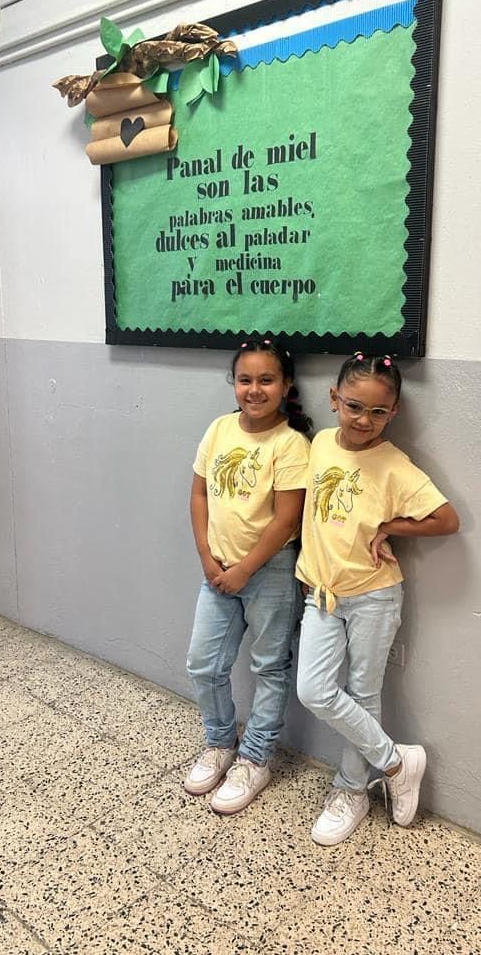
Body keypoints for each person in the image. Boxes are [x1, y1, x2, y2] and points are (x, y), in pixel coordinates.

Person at [295, 352, 459, 845]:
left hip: (374, 596)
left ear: (394, 412)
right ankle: (395, 763)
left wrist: (390, 525)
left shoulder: (394, 466)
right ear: (334, 399)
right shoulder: (321, 444)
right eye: (353, 406)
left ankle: (351, 791)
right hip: (320, 595)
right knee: (314, 690)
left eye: (377, 412)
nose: (363, 420)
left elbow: (446, 519)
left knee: (364, 694)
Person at [184, 338, 311, 814]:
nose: (254, 389)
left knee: (269, 667)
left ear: (286, 385)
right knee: (203, 664)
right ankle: (220, 743)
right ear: (234, 383)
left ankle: (255, 758)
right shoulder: (219, 429)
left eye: (266, 380)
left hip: (269, 572)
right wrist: (207, 557)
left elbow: (286, 519)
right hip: (217, 570)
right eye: (245, 379)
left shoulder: (291, 444)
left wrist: (244, 570)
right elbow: (199, 495)